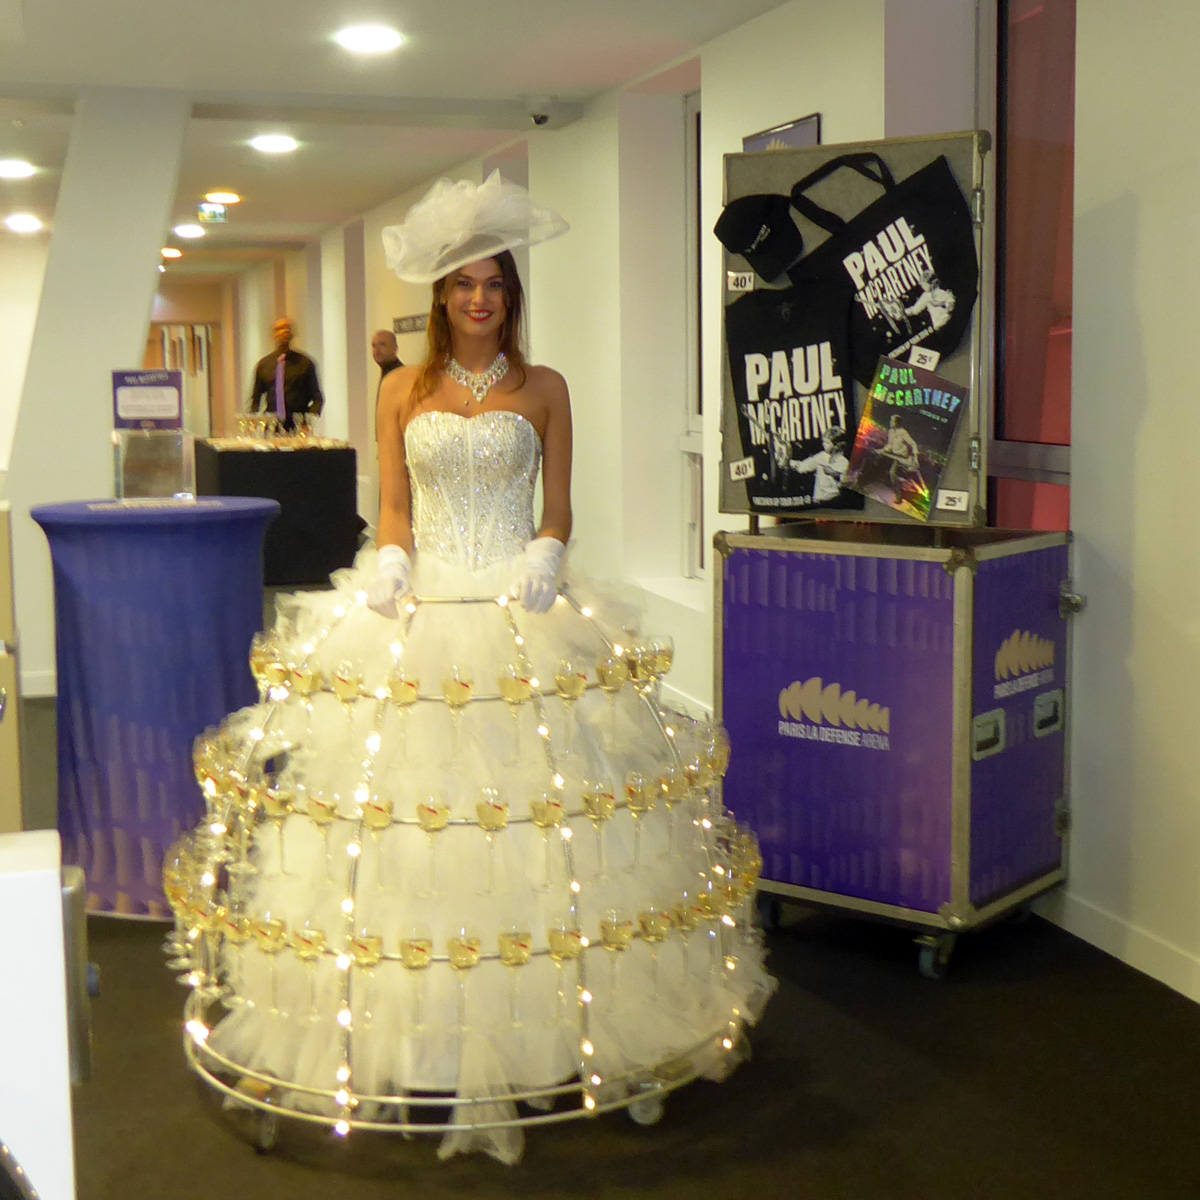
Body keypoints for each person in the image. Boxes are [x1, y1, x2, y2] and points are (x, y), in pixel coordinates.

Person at [183, 173, 772, 1165]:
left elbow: (562, 506)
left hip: (521, 611)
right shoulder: (399, 389)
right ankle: (412, 1034)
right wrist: (393, 560)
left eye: (494, 282)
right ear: (440, 297)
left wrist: (547, 550)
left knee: (537, 820)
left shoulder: (545, 389)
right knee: (408, 822)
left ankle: (549, 1029)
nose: (478, 298)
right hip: (424, 610)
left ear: (511, 295)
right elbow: (398, 503)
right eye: (463, 283)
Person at [248, 317, 324, 431]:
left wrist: (309, 419)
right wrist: (253, 421)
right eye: (279, 329)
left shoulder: (305, 363)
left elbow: (318, 398)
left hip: (298, 424)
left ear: (293, 334)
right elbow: (256, 398)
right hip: (271, 425)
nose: (283, 332)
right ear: (274, 335)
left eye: (287, 328)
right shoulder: (264, 364)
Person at [790, 427, 849, 504]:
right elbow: (803, 466)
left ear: (837, 446)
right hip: (818, 501)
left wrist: (835, 474)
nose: (823, 444)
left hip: (835, 501)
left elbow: (848, 483)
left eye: (827, 442)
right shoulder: (821, 456)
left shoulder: (844, 462)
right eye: (823, 441)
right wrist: (791, 463)